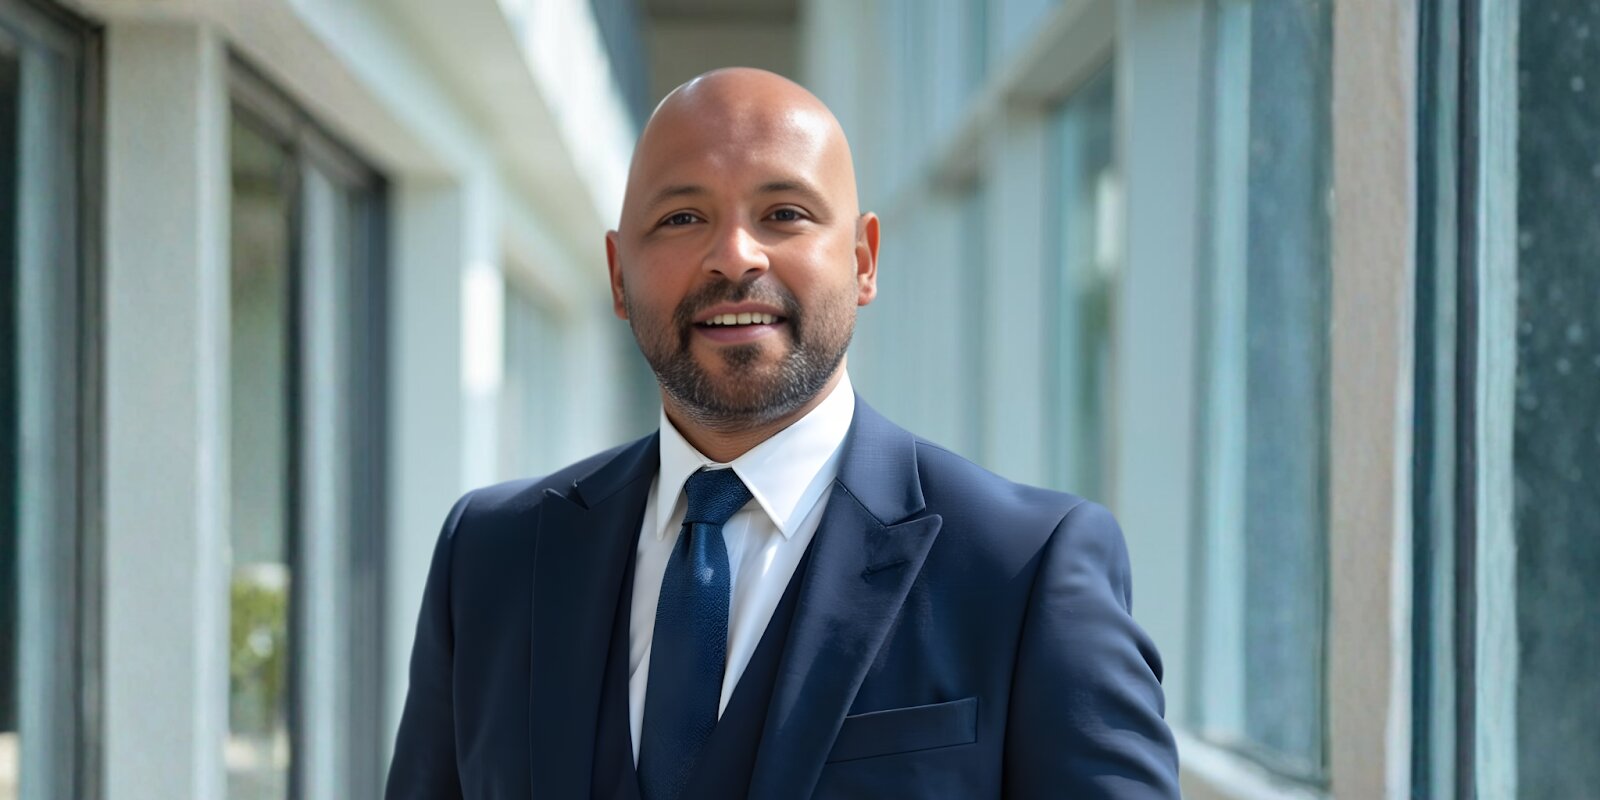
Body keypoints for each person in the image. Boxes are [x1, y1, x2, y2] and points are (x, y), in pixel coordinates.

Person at [386, 67, 1179, 799]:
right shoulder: (489, 556)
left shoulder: (1027, 569)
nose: (734, 255)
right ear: (618, 274)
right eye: (683, 216)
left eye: (785, 214)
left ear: (864, 260)